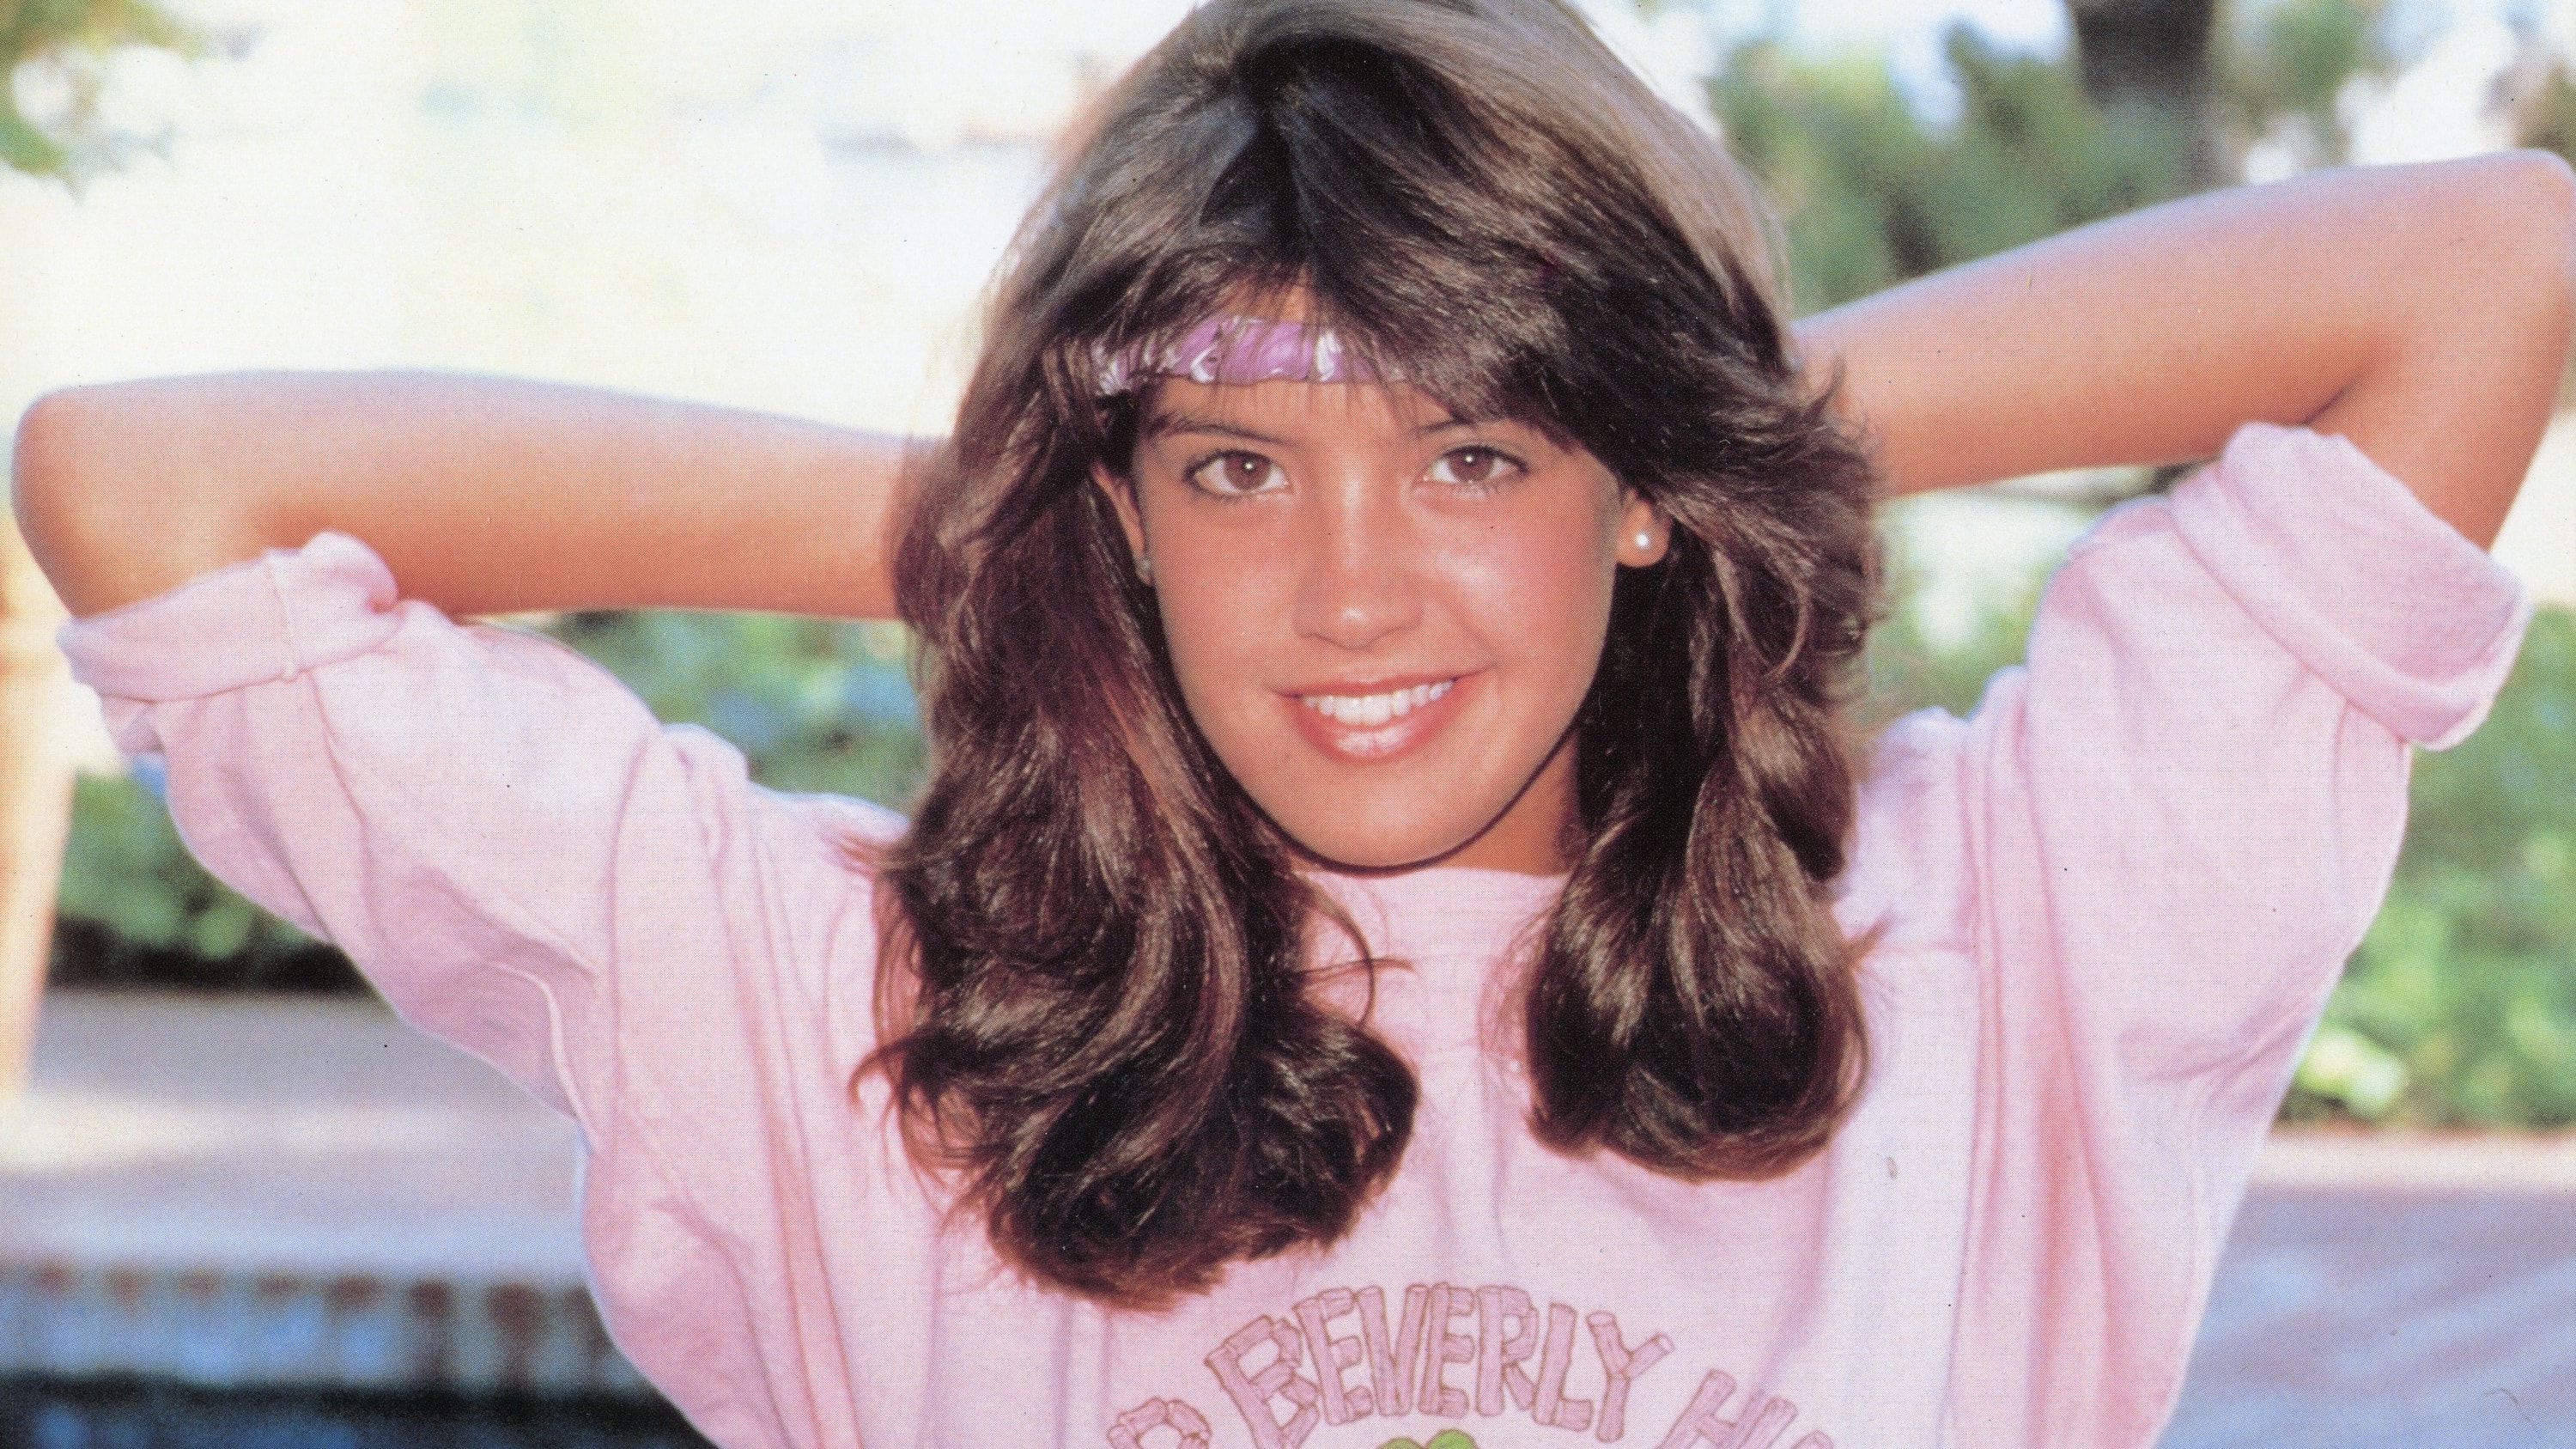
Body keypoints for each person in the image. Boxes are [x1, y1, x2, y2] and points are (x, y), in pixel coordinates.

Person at [12, 1, 2570, 1445]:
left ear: (1636, 487)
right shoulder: (853, 1024)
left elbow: (2485, 259)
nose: (1351, 586)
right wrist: (1022, 509)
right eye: (1236, 472)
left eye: (1476, 458)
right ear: (1126, 506)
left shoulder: (2000, 946)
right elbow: (148, 489)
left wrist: (1683, 415)